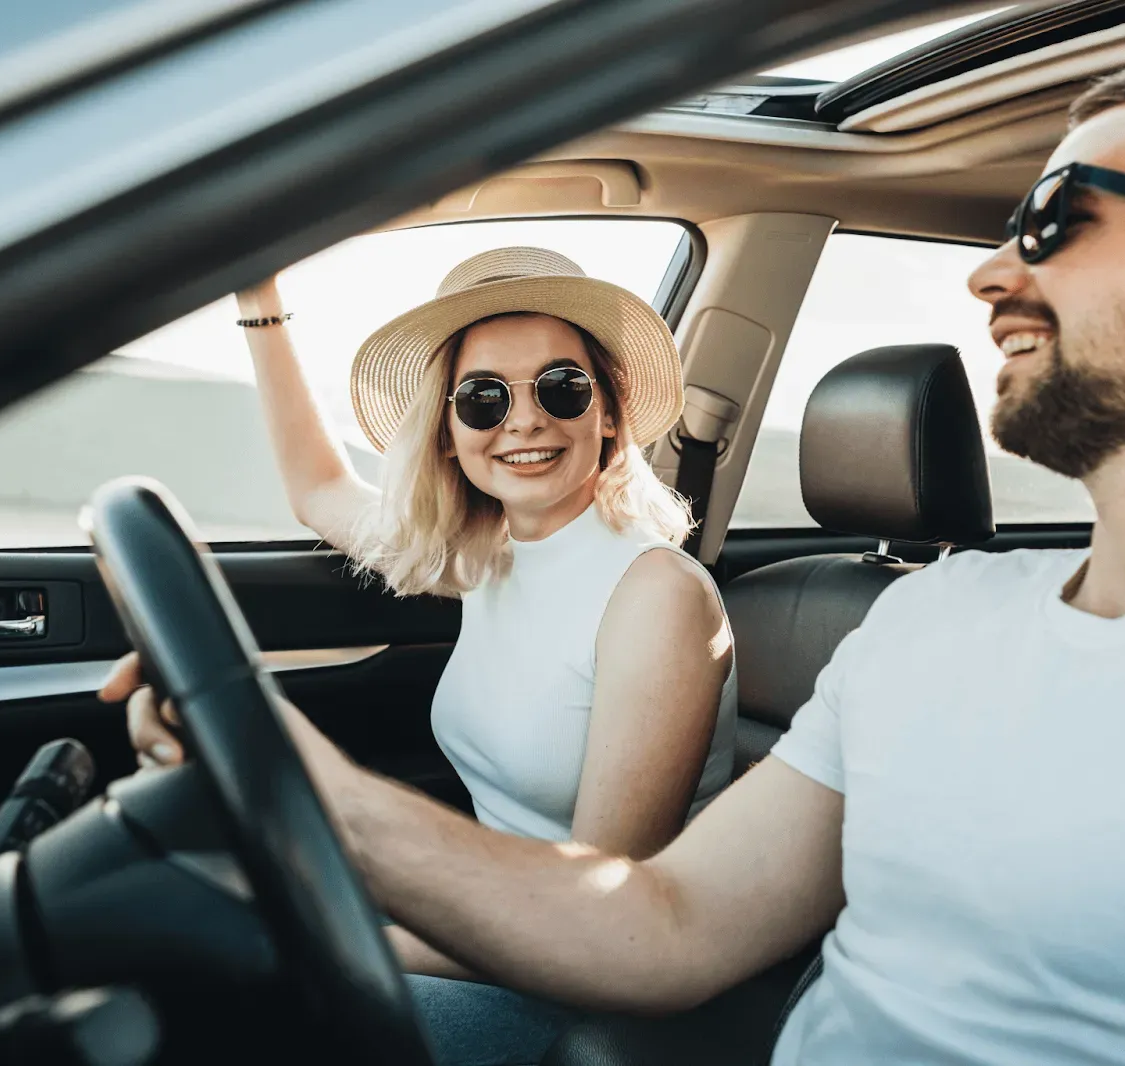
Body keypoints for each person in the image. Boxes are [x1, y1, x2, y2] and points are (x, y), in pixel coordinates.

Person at [260, 55, 1125, 1065]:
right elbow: (664, 927)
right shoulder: (930, 617)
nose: (989, 273)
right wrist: (315, 797)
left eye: (1053, 221)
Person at [99, 247, 738, 1063]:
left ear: (608, 414)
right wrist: (257, 296)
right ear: (447, 429)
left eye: (561, 386)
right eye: (482, 398)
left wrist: (336, 934)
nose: (525, 419)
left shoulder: (659, 597)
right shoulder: (489, 556)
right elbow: (316, 490)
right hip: (493, 938)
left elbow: (599, 922)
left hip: (581, 986)